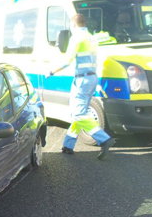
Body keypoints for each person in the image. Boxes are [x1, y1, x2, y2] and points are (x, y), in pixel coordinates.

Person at [49, 14, 115, 160]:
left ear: (73, 25)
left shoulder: (77, 37)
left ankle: (104, 139)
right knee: (78, 113)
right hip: (92, 78)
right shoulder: (91, 37)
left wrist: (52, 71)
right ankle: (68, 145)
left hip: (82, 80)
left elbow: (68, 60)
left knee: (78, 114)